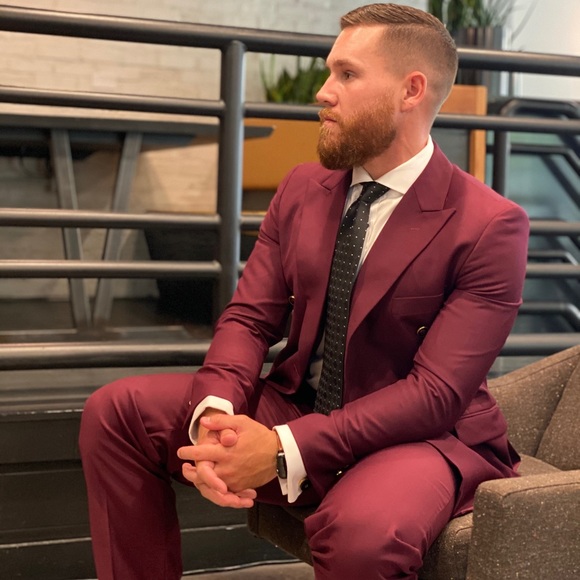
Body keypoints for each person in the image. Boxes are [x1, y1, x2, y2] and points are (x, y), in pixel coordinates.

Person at [79, 3, 530, 579]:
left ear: (410, 90)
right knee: (116, 413)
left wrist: (281, 447)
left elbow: (435, 395)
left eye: (347, 74)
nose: (323, 91)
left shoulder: (490, 224)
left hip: (420, 436)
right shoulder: (302, 188)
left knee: (362, 535)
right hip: (302, 402)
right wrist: (216, 413)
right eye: (328, 71)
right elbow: (249, 319)